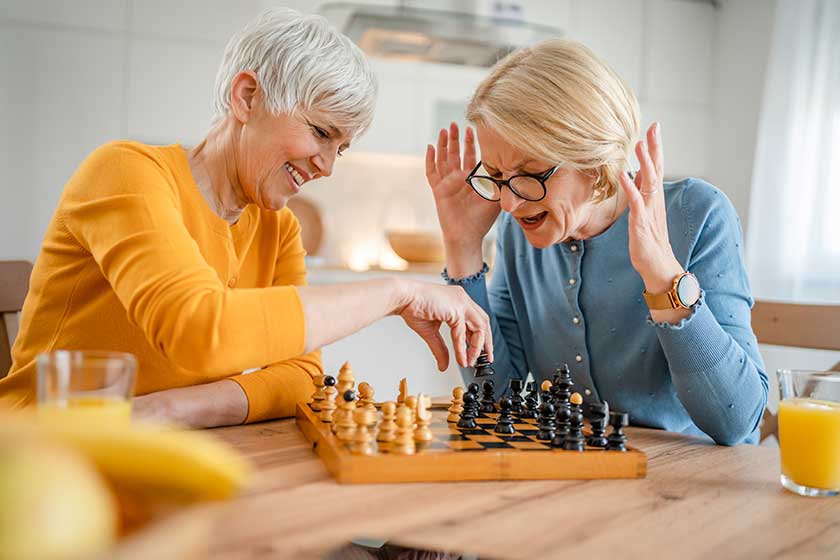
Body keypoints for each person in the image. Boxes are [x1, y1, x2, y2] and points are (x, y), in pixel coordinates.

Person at [0, 8, 491, 427]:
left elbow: (300, 376)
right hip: (46, 455)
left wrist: (163, 411)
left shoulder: (279, 229)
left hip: (157, 452)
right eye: (321, 132)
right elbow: (200, 331)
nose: (327, 165)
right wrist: (396, 290)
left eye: (340, 148)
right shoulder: (126, 171)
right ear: (247, 97)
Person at [425, 39, 768, 445]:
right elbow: (498, 401)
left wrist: (664, 278)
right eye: (497, 175)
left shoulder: (698, 213)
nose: (508, 201)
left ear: (594, 159)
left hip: (692, 487)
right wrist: (463, 248)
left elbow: (738, 421)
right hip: (587, 481)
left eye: (530, 173)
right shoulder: (518, 232)